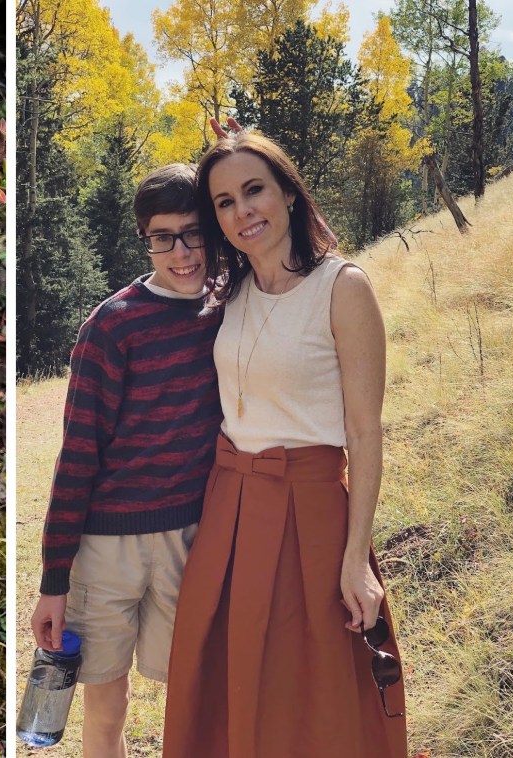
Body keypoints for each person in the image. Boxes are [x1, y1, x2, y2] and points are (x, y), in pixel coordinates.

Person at [162, 129, 408, 757]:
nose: (242, 211)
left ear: (288, 194)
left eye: (254, 190)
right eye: (224, 201)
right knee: (226, 677)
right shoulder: (231, 291)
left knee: (312, 688)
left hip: (309, 508)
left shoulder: (342, 287)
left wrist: (355, 559)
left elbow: (363, 433)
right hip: (230, 506)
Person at [29, 163, 223, 757]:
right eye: (162, 237)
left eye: (193, 233)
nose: (181, 251)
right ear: (145, 239)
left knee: (191, 699)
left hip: (191, 539)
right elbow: (78, 456)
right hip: (105, 549)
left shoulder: (232, 308)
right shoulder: (111, 328)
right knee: (106, 708)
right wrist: (53, 582)